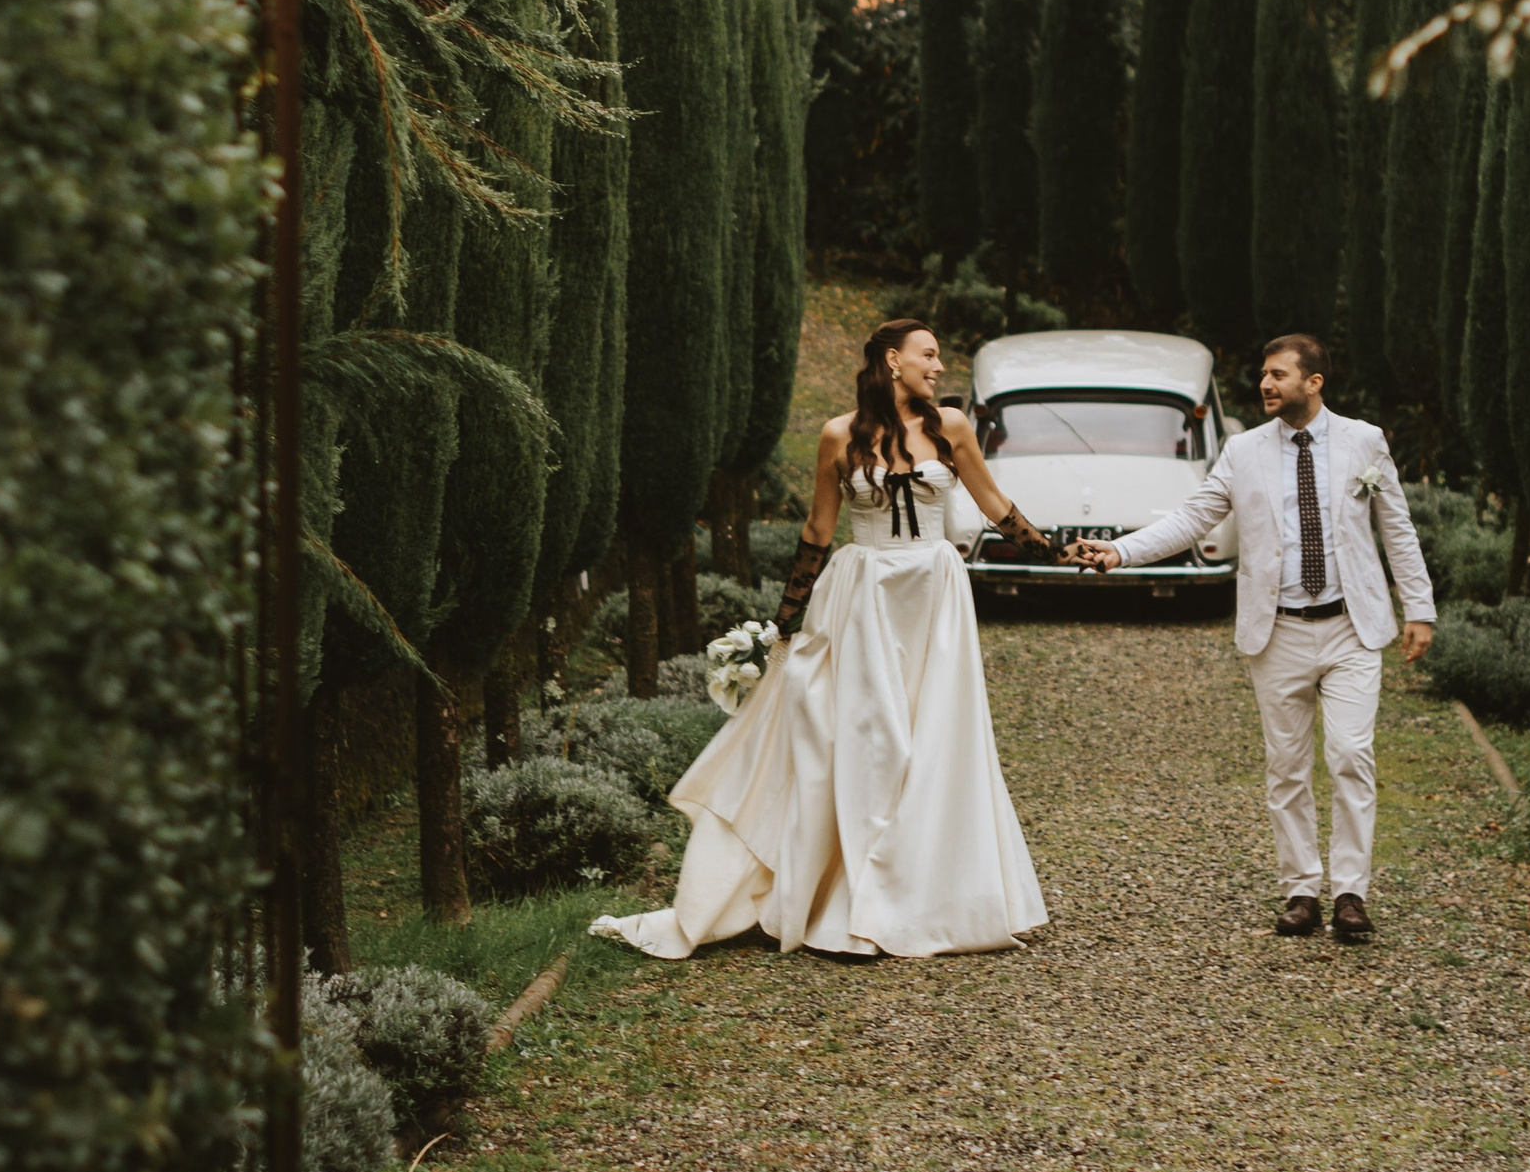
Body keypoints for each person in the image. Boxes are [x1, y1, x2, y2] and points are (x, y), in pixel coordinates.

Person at [592, 319, 1059, 959]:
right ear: (892, 361)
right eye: (928, 355)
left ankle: (928, 896)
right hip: (863, 596)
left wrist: (1058, 555)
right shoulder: (839, 435)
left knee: (937, 736)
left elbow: (995, 506)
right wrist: (785, 620)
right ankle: (856, 895)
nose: (938, 366)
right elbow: (818, 529)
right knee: (870, 738)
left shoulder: (951, 426)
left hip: (934, 594)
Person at [1071, 332, 1433, 945]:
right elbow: (1193, 517)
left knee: (1351, 756)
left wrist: (1419, 607)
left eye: (1278, 374)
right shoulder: (1243, 451)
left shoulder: (1364, 441)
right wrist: (1120, 551)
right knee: (1286, 767)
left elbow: (1396, 528)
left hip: (1351, 627)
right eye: (1263, 374)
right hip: (1278, 630)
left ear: (1314, 382)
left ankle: (1350, 894)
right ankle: (1301, 891)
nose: (1265, 384)